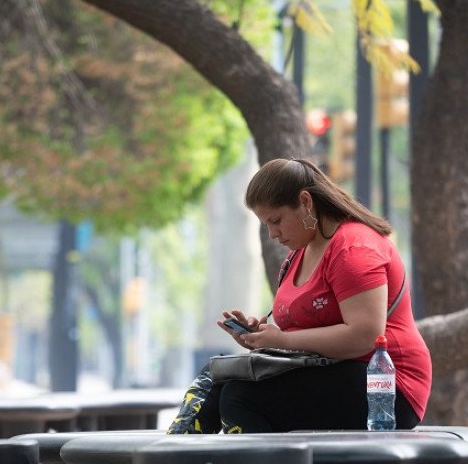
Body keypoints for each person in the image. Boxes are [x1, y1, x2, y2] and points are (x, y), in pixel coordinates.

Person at [168, 157, 432, 433]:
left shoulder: (353, 248)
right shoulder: (299, 254)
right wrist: (262, 335)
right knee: (216, 379)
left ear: (305, 202)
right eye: (265, 224)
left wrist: (283, 339)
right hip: (336, 373)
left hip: (389, 388)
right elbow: (309, 334)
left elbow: (364, 336)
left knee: (242, 397)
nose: (272, 234)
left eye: (276, 220)